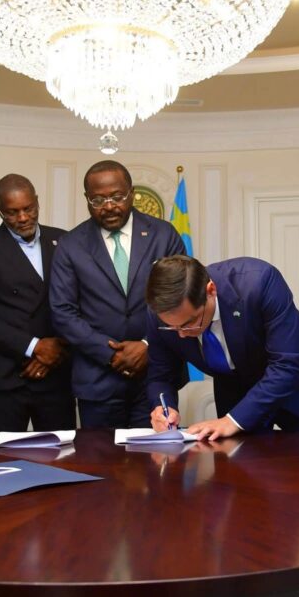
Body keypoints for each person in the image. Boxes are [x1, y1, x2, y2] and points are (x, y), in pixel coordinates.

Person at [145, 255, 299, 440]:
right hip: (236, 391)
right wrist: (163, 408)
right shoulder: (160, 314)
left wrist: (233, 420)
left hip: (296, 388)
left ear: (211, 291)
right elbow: (161, 376)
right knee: (235, 465)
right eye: (172, 327)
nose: (181, 334)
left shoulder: (258, 281)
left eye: (190, 323)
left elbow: (288, 363)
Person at [49, 161, 186, 428]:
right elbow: (62, 312)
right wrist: (110, 353)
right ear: (87, 199)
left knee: (157, 454)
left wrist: (147, 344)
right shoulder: (70, 245)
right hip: (97, 380)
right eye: (98, 200)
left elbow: (182, 295)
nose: (109, 206)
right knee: (100, 455)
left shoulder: (163, 234)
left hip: (156, 374)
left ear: (132, 193)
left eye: (117, 196)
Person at [0, 174, 74, 433]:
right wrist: (35, 347)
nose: (23, 218)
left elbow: (79, 304)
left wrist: (56, 349)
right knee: (4, 455)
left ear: (37, 202)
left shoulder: (64, 241)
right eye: (12, 213)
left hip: (57, 374)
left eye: (28, 208)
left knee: (63, 454)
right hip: (4, 377)